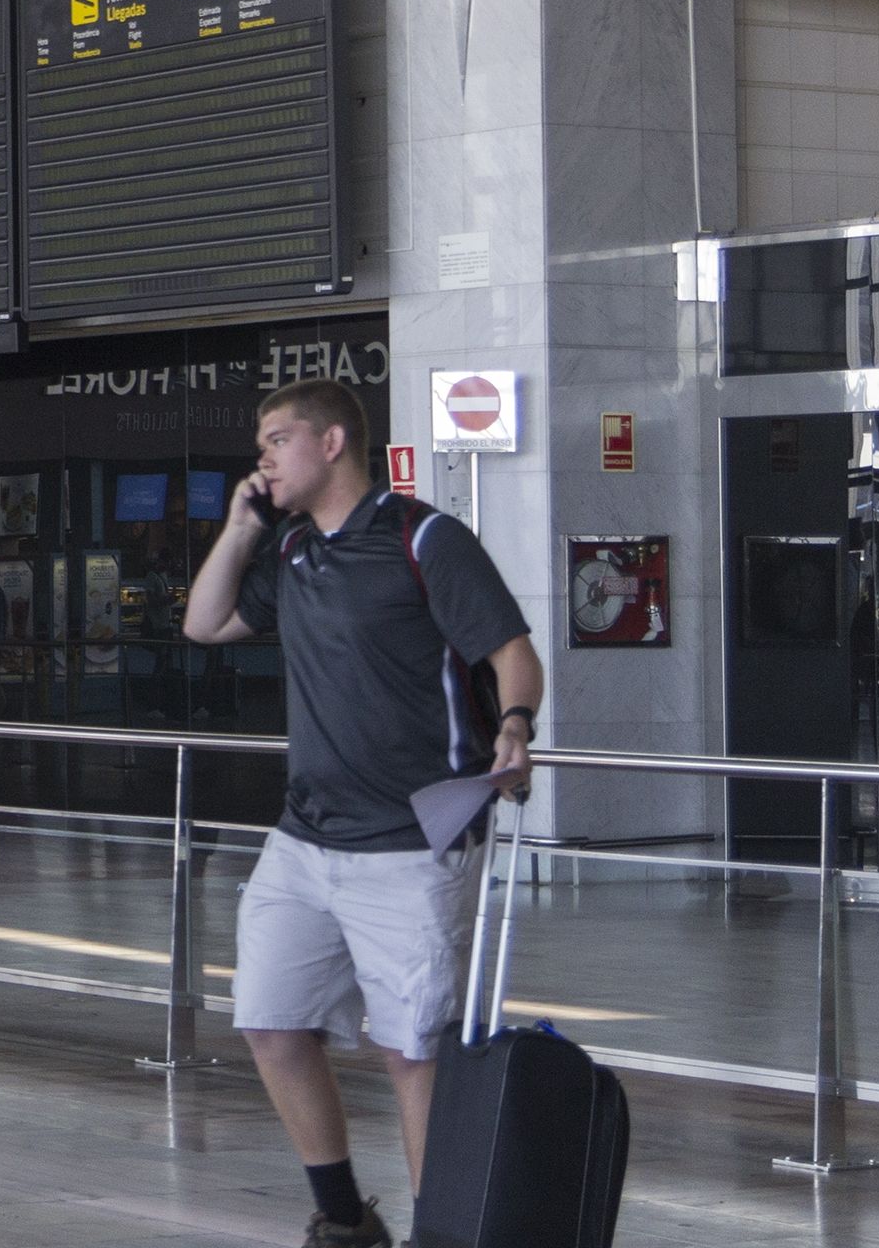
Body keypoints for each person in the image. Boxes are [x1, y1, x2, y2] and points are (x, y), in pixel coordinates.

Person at [183, 380, 542, 1248]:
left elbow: (511, 652)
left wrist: (518, 725)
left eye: (276, 440)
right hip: (305, 837)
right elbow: (205, 623)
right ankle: (345, 1218)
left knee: (413, 1051)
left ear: (333, 441)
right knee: (269, 1019)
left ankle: (440, 1232)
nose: (262, 458)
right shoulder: (294, 550)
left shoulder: (424, 539)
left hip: (416, 837)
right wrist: (240, 526)